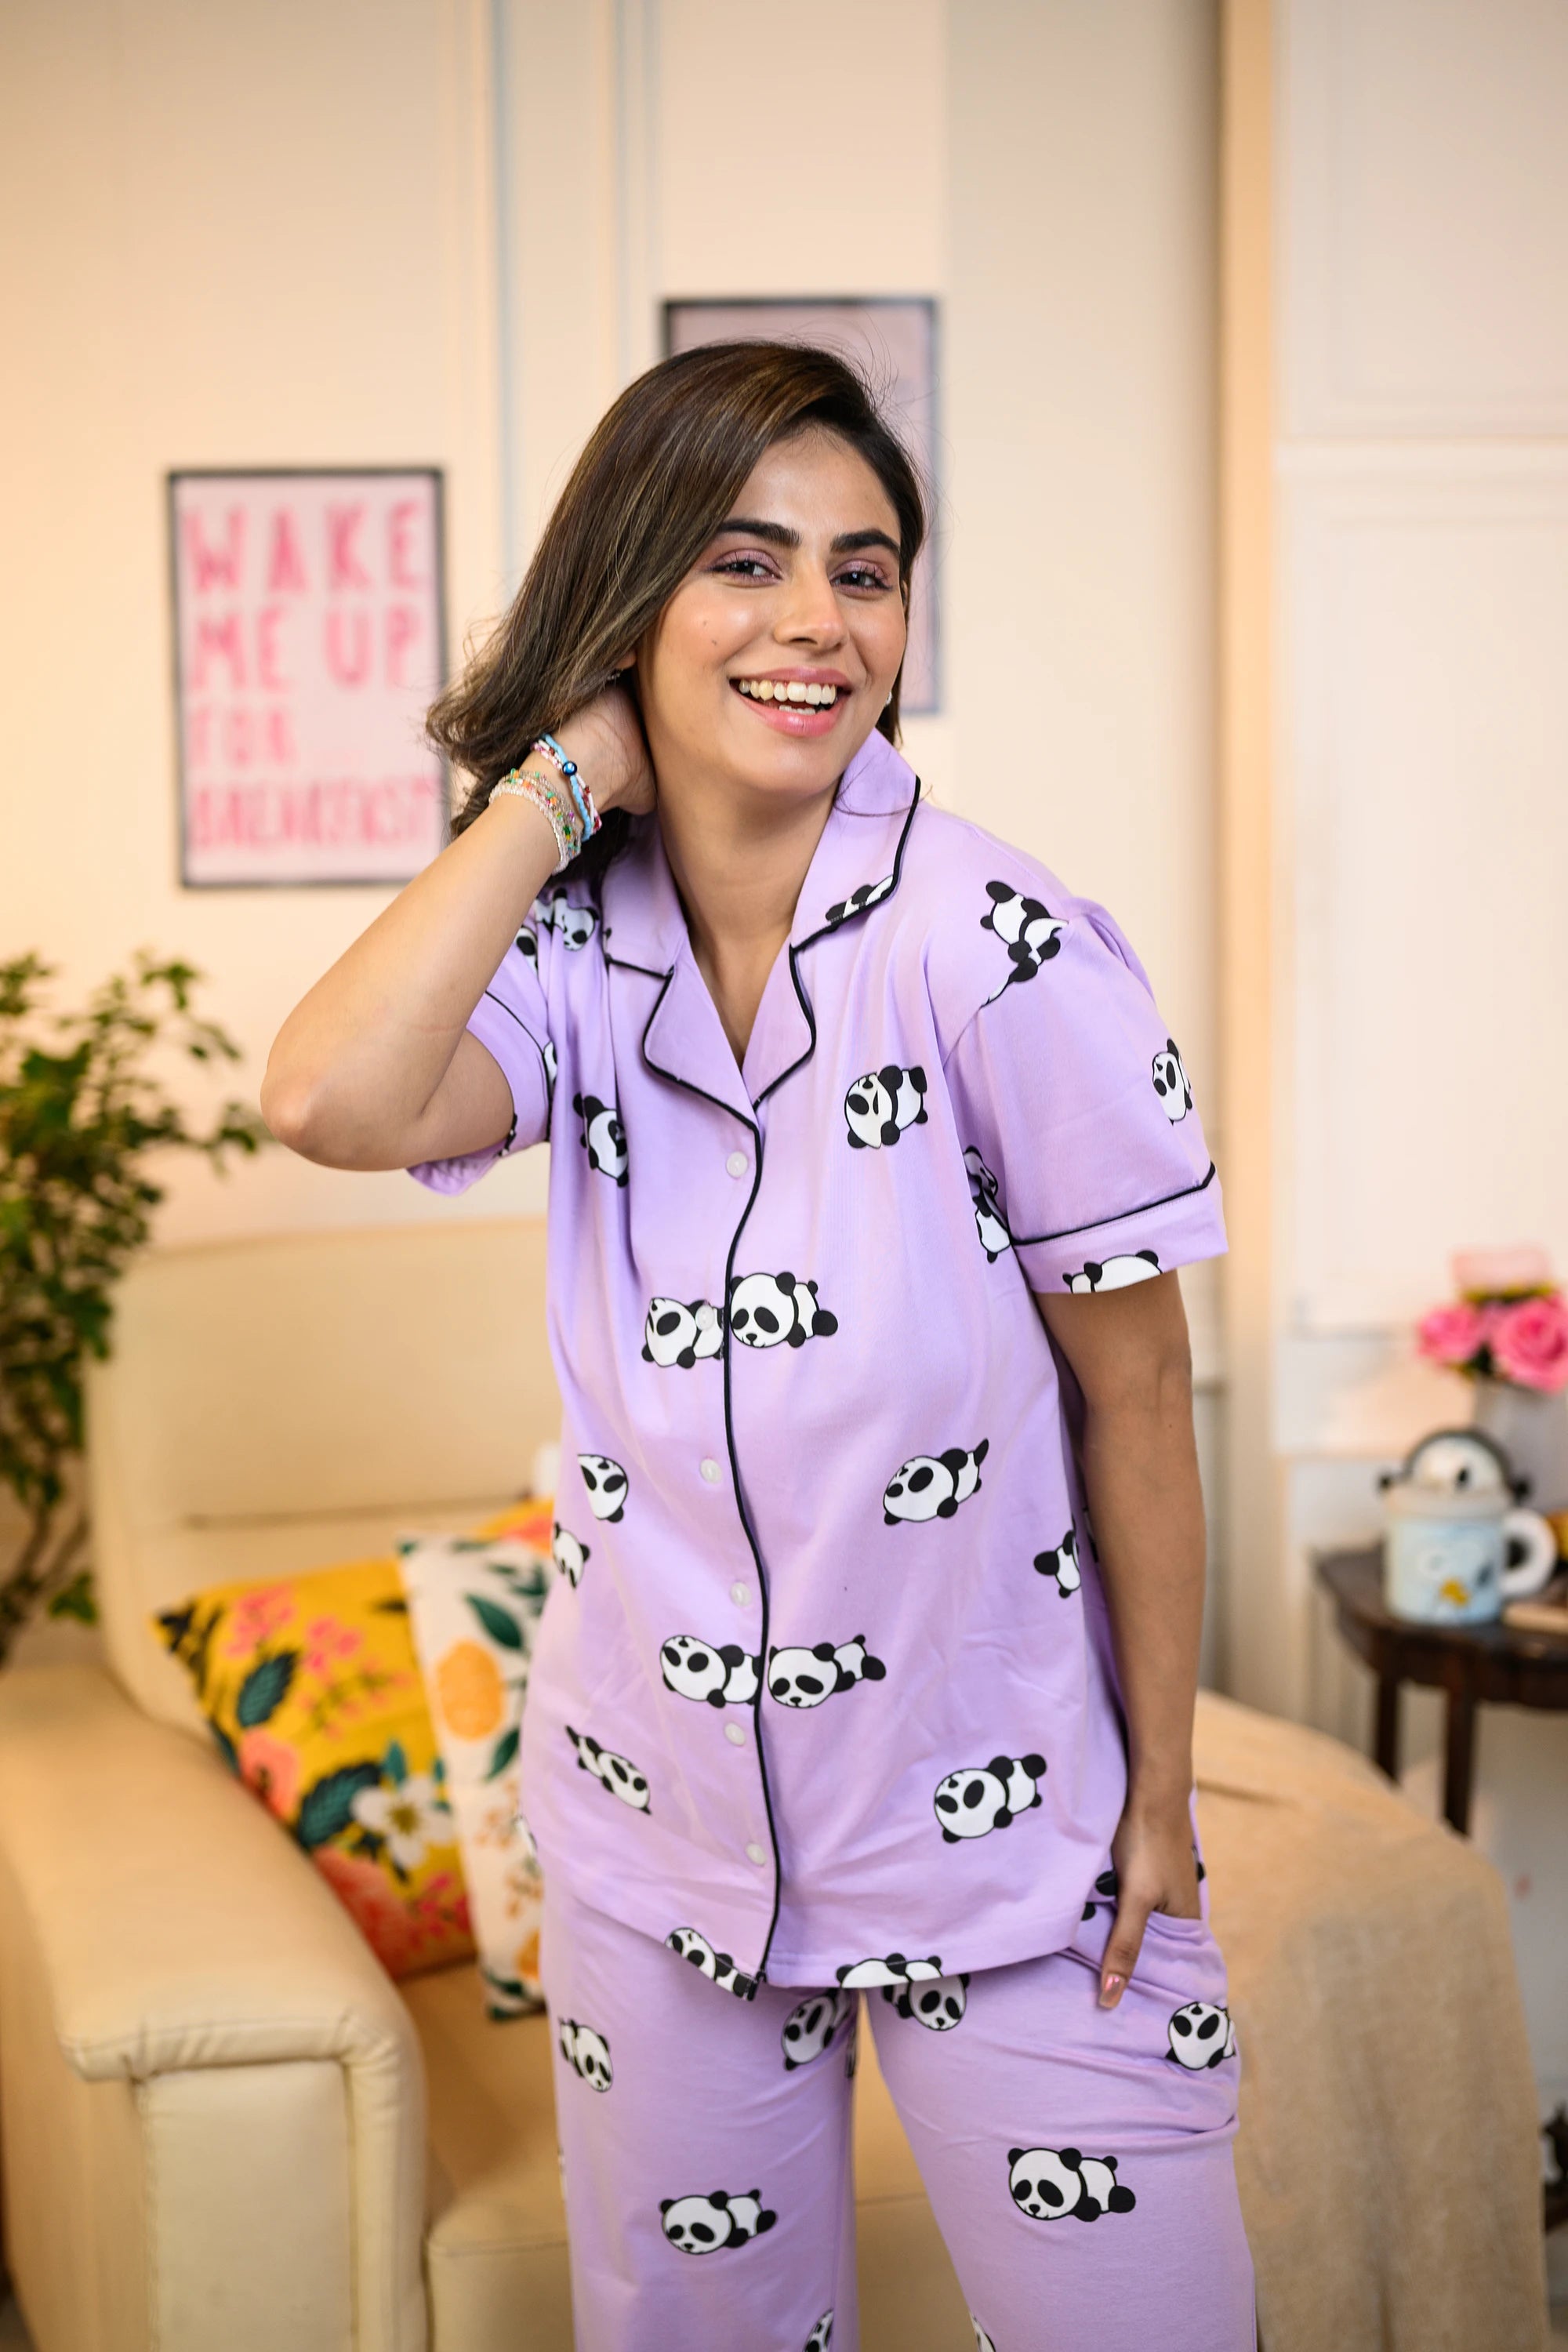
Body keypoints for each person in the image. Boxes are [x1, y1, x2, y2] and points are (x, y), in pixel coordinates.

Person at [263, 341, 1256, 2352]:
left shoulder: (998, 951)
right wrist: (563, 783)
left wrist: (1160, 1797)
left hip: (1008, 1846)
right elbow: (327, 1098)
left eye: (865, 569)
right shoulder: (566, 956)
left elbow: (1138, 1391)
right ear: (631, 602)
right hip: (659, 1854)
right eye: (743, 559)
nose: (819, 620)